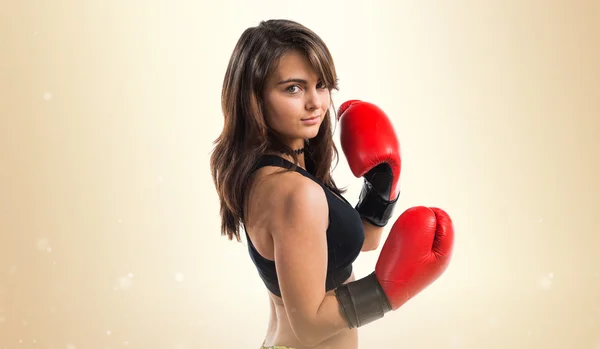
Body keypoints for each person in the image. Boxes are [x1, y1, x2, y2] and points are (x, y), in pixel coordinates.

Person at [210, 19, 455, 349]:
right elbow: (309, 327)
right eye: (293, 88)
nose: (315, 103)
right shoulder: (295, 192)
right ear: (255, 98)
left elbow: (361, 244)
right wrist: (384, 291)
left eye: (321, 85)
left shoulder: (273, 174)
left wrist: (381, 188)